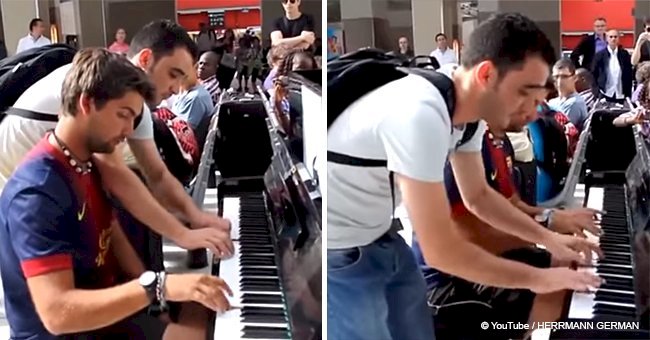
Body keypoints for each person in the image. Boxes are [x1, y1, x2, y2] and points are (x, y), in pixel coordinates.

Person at [327, 13, 602, 340]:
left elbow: (479, 198)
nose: (532, 112)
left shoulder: (466, 114)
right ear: (486, 75)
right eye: (525, 95)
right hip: (341, 251)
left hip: (379, 235)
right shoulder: (422, 113)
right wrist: (539, 279)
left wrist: (550, 237)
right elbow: (440, 250)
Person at [0, 20, 233, 312]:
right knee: (45, 295)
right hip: (14, 171)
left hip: (49, 172)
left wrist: (195, 218)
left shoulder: (130, 101)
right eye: (173, 75)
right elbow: (119, 178)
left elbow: (157, 175)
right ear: (146, 59)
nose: (175, 89)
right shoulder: (107, 88)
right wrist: (183, 235)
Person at [414, 80, 600, 339]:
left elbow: (513, 205)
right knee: (551, 299)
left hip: (486, 253)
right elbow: (467, 238)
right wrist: (547, 234)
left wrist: (554, 218)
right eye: (531, 103)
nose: (535, 115)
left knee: (567, 273)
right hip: (447, 281)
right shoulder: (461, 144)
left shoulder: (498, 142)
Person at [592, 29, 633, 104]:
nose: (613, 39)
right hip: (605, 93)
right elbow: (594, 74)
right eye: (610, 37)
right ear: (606, 38)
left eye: (615, 37)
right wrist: (596, 92)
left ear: (618, 39)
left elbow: (629, 74)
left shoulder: (624, 54)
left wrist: (628, 93)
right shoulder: (600, 55)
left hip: (621, 94)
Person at [548, 58, 590, 131]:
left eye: (564, 77)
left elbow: (558, 134)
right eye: (556, 77)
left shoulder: (574, 103)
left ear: (574, 78)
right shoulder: (552, 102)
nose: (559, 81)